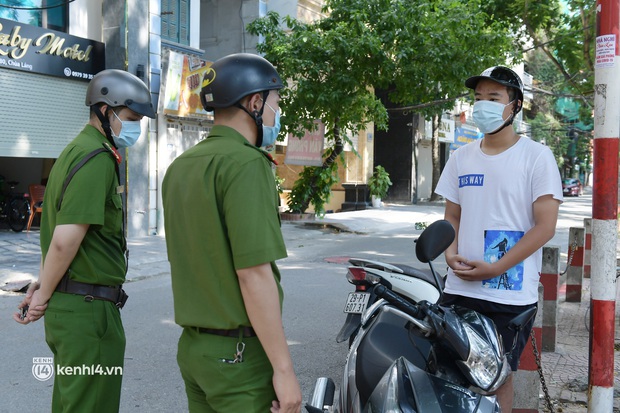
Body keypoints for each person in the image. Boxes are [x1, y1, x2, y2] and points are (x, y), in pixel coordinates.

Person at [162, 53, 302, 413]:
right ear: (255, 102)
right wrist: (284, 370)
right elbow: (253, 273)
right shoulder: (246, 164)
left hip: (194, 351)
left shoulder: (180, 167)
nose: (276, 115)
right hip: (238, 358)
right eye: (275, 104)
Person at [13, 69, 156, 412]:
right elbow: (64, 241)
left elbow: (60, 233)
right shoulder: (96, 159)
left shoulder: (74, 150)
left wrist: (39, 285)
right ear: (106, 111)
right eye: (132, 117)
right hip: (88, 311)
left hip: (74, 305)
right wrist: (41, 297)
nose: (136, 127)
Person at [434, 66, 563, 412]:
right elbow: (452, 217)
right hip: (459, 288)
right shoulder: (460, 158)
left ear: (515, 106)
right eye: (478, 98)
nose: (483, 106)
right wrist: (450, 254)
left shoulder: (537, 157)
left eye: (494, 98)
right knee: (449, 373)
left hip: (509, 293)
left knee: (497, 376)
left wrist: (496, 267)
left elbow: (544, 226)